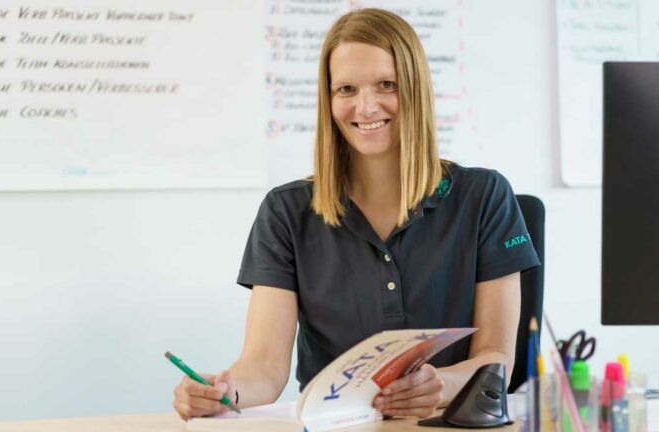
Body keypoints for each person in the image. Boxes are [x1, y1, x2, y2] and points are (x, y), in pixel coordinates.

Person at [172, 8, 539, 421]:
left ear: (415, 89)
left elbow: (496, 360)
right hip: (336, 426)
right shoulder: (286, 212)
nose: (365, 107)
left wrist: (442, 385)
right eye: (346, 89)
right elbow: (264, 366)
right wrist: (223, 391)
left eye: (386, 84)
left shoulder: (485, 197)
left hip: (444, 424)